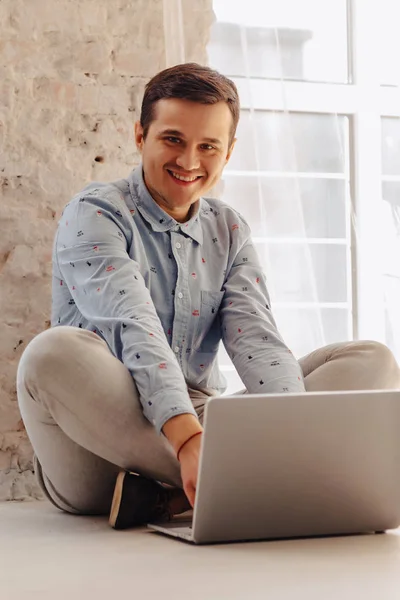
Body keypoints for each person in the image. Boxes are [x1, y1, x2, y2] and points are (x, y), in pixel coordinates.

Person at [17, 63, 400, 530]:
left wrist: (291, 429)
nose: (190, 161)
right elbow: (133, 323)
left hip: (200, 419)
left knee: (370, 360)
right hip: (100, 440)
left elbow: (256, 339)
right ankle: (252, 480)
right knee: (51, 353)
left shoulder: (229, 228)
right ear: (141, 135)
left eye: (208, 146)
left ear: (229, 152)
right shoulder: (96, 212)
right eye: (173, 139)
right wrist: (186, 440)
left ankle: (182, 493)